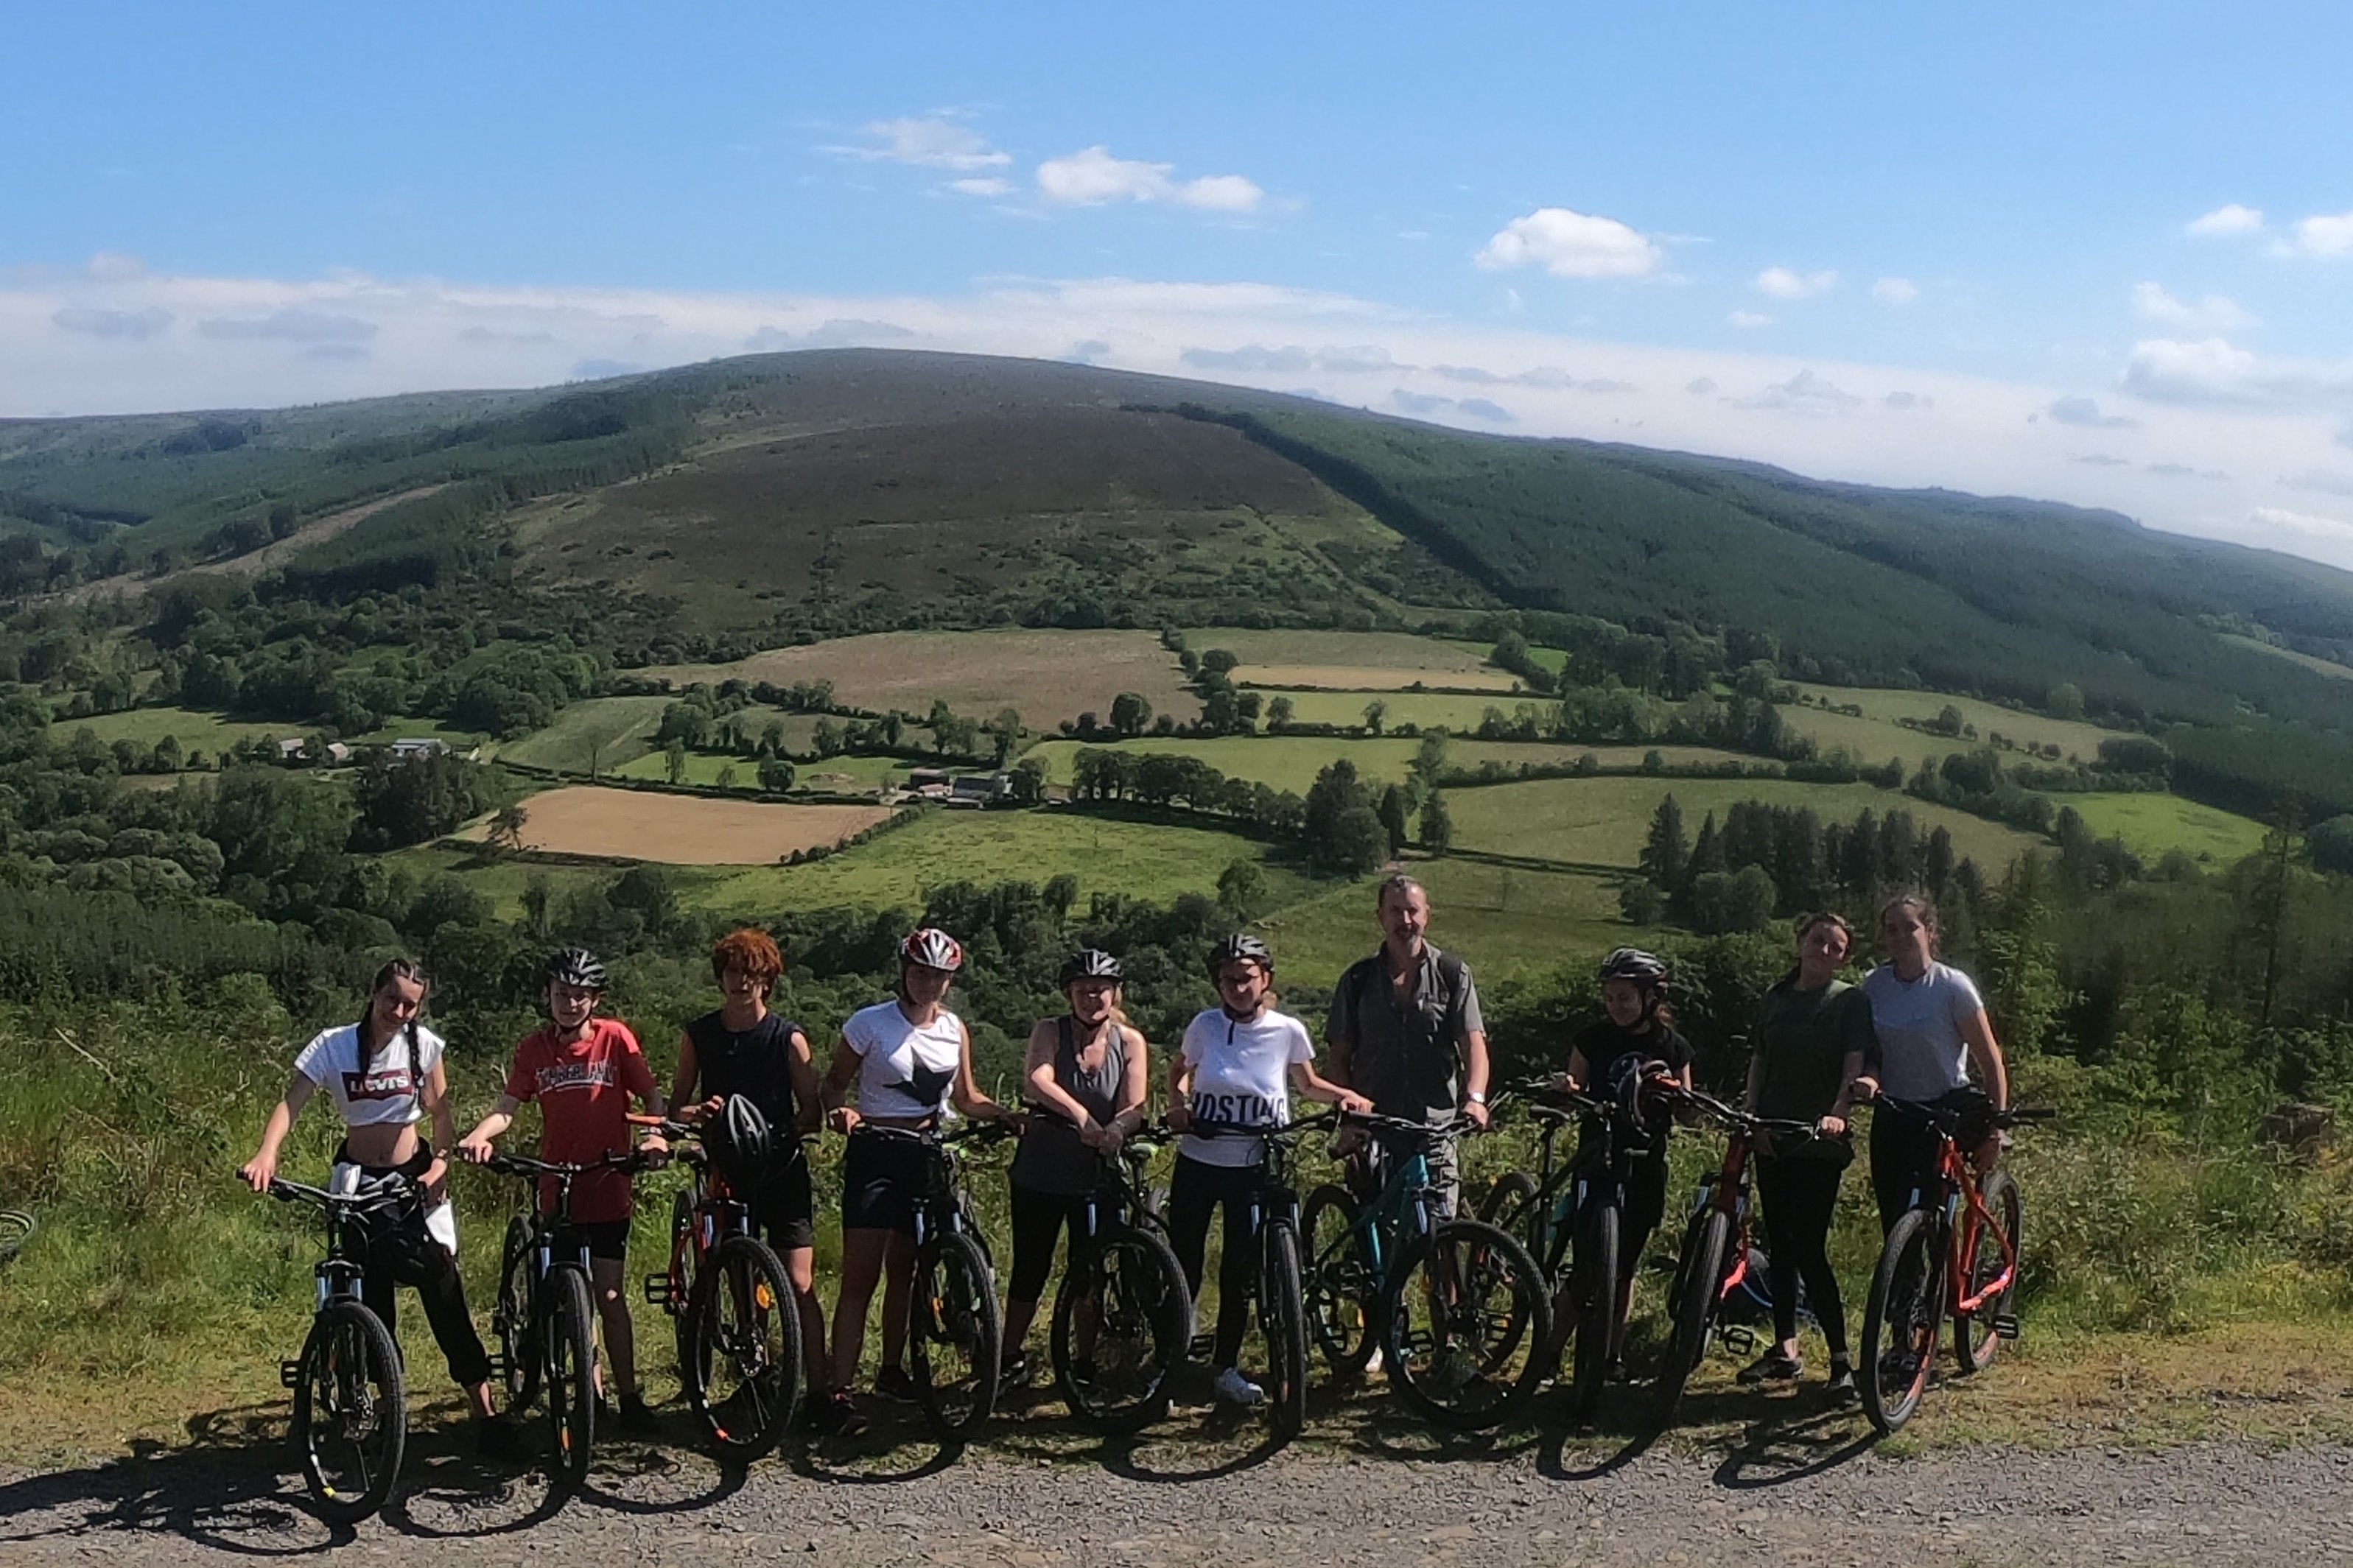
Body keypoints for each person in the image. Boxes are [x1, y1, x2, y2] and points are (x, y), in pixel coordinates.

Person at [239, 958, 505, 1448]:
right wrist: (266, 1154)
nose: (400, 1011)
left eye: (411, 1004)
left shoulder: (423, 1047)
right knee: (372, 1295)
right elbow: (290, 1102)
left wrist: (440, 1165)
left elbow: (441, 1113)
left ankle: (484, 1408)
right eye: (393, 999)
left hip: (412, 1179)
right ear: (374, 992)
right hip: (360, 1183)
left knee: (443, 1287)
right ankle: (389, 1412)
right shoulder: (334, 1044)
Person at [457, 947, 667, 1430]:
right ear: (547, 996)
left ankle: (630, 1395)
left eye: (579, 995)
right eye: (561, 994)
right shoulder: (534, 1049)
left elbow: (651, 1093)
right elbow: (509, 1104)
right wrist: (480, 1135)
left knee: (610, 1294)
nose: (569, 1003)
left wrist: (654, 1133)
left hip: (608, 1178)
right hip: (558, 1183)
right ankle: (588, 1397)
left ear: (594, 999)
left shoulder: (615, 1040)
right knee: (571, 1297)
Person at [818, 927, 1016, 1437]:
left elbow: (967, 1096)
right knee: (861, 1278)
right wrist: (839, 1112)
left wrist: (1010, 1117)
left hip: (929, 1154)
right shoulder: (869, 1023)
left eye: (940, 975)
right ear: (904, 972)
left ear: (950, 981)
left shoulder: (954, 1028)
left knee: (906, 1270)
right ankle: (839, 1391)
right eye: (921, 971)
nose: (929, 982)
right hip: (877, 1152)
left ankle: (892, 1370)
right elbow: (834, 1082)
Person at [1167, 934, 1368, 1408]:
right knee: (1183, 1264)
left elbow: (1308, 1083)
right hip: (1200, 1157)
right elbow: (1178, 1070)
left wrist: (1344, 1097)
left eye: (1247, 978)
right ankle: (1170, 1365)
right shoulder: (1204, 1026)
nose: (1237, 987)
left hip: (1256, 1162)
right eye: (1228, 980)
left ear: (1265, 980)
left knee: (1239, 1271)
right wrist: (1178, 1104)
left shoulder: (1287, 1030)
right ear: (1218, 984)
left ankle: (1226, 1368)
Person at [667, 927, 827, 1414]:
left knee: (799, 1284)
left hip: (780, 1168)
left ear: (768, 980)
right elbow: (676, 1108)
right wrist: (699, 1114)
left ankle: (822, 1392)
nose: (742, 982)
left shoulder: (788, 1038)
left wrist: (774, 1129)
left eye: (753, 974)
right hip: (728, 1170)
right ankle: (758, 1375)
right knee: (741, 1283)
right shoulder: (700, 1035)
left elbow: (811, 1112)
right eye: (733, 972)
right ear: (721, 977)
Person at [999, 949, 1151, 1391]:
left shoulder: (1130, 1042)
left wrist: (1116, 1130)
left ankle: (1084, 1361)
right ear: (1069, 995)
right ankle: (1008, 1357)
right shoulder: (1051, 1031)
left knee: (1091, 1271)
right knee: (1031, 1266)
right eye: (1083, 991)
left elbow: (1136, 1105)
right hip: (1042, 1170)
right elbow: (1038, 1080)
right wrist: (1083, 1118)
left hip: (1098, 1174)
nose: (1092, 998)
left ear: (1115, 994)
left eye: (1101, 990)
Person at [1737, 912, 1873, 1397]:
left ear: (1844, 957)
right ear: (1800, 943)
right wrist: (1751, 1114)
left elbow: (1854, 1059)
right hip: (1771, 1135)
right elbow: (1760, 1059)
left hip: (1818, 1141)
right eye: (1819, 940)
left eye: (1837, 947)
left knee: (1810, 1247)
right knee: (1780, 1245)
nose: (1825, 951)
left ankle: (1840, 1360)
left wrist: (1841, 1109)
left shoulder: (1849, 1001)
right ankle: (1786, 1348)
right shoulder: (1776, 999)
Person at [1560, 946, 1693, 1382]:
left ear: (1651, 999)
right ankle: (1552, 1349)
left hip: (1645, 1160)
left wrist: (1677, 1095)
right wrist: (1567, 1088)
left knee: (1626, 1265)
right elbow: (1574, 1084)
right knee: (1584, 1265)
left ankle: (1612, 1354)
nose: (1616, 1006)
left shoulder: (1672, 1046)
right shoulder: (1592, 1038)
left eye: (1626, 998)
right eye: (1611, 997)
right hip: (1598, 1155)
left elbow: (1688, 1107)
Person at [1325, 874, 1491, 1218]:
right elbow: (1339, 1055)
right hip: (1374, 1131)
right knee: (1380, 1240)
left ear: (1427, 915)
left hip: (1434, 1129)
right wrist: (1348, 1114)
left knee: (1440, 1232)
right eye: (1395, 911)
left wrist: (1475, 1099)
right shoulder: (1357, 980)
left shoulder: (1453, 974)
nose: (1405, 921)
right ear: (1380, 918)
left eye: (1412, 911)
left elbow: (1473, 1043)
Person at [1860, 894, 2010, 1233]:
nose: (1900, 936)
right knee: (1893, 1220)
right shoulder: (1874, 985)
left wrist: (1997, 1130)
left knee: (1931, 1216)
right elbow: (1870, 1051)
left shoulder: (1953, 987)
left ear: (1929, 931)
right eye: (1891, 930)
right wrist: (1869, 1078)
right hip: (1893, 1113)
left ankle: (1939, 1281)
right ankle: (1904, 1285)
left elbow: (1991, 1062)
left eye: (1909, 927)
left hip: (1942, 1111)